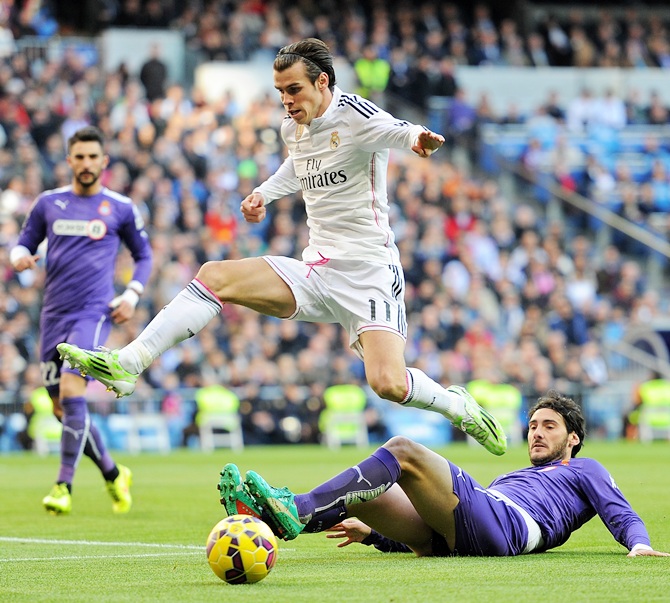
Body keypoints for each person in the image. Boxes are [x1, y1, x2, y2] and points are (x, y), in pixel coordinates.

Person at [57, 38, 506, 457]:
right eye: (280, 92)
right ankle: (129, 363)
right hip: (316, 270)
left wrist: (417, 139)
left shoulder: (356, 116)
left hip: (369, 271)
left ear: (322, 82)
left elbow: (396, 130)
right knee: (215, 275)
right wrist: (264, 195)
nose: (287, 101)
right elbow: (298, 165)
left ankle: (457, 406)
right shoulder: (293, 128)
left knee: (387, 383)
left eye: (294, 90)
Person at [218, 390, 669, 558]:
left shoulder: (584, 467)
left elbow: (619, 511)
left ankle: (295, 505)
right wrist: (375, 536)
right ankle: (264, 522)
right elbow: (454, 524)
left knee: (403, 452)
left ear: (573, 438)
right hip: (469, 533)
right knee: (368, 498)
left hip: (509, 524)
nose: (536, 432)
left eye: (549, 426)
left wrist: (640, 544)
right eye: (533, 425)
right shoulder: (516, 475)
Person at [10, 125, 153, 514]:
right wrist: (18, 257)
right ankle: (112, 473)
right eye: (80, 157)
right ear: (69, 160)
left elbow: (145, 256)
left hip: (92, 312)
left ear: (104, 161)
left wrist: (132, 293)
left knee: (74, 394)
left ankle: (62, 486)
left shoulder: (120, 207)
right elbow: (23, 241)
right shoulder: (48, 204)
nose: (87, 163)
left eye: (94, 157)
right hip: (52, 314)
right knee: (62, 409)